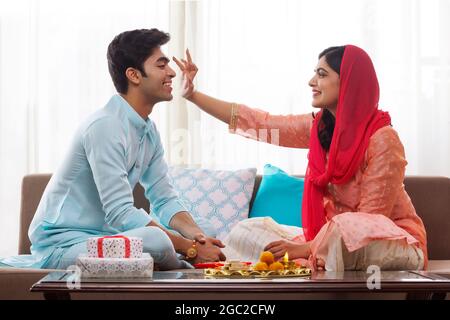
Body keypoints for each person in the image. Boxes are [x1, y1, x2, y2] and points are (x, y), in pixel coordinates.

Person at [174, 45, 427, 271]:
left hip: (390, 243)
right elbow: (260, 123)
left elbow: (371, 221)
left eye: (322, 74)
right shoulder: (319, 128)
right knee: (248, 230)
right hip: (328, 239)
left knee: (343, 231)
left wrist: (306, 248)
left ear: (349, 81)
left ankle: (312, 257)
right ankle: (313, 257)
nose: (311, 81)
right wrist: (193, 96)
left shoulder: (382, 138)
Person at [0, 29, 226, 271]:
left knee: (205, 228)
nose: (171, 72)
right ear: (134, 75)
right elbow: (120, 213)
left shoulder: (148, 131)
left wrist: (198, 237)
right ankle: (184, 265)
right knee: (157, 241)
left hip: (109, 239)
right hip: (64, 246)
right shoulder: (105, 126)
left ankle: (178, 259)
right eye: (161, 65)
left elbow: (164, 198)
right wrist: (189, 247)